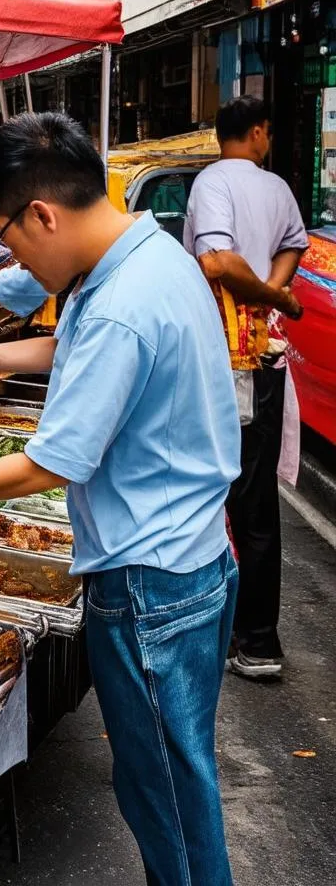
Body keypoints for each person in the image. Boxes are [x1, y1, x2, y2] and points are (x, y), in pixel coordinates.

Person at [0, 113, 241, 886]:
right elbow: (79, 343)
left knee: (167, 798)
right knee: (172, 781)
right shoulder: (149, 257)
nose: (13, 257)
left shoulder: (124, 300)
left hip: (150, 581)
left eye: (9, 235)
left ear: (43, 214)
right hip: (193, 560)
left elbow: (47, 465)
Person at [184, 94, 307, 681]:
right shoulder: (276, 187)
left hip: (227, 361)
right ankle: (254, 638)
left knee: (210, 489)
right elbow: (288, 247)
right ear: (258, 133)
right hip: (259, 360)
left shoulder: (212, 183)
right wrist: (275, 296)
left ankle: (241, 634)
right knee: (253, 502)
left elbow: (216, 262)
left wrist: (260, 298)